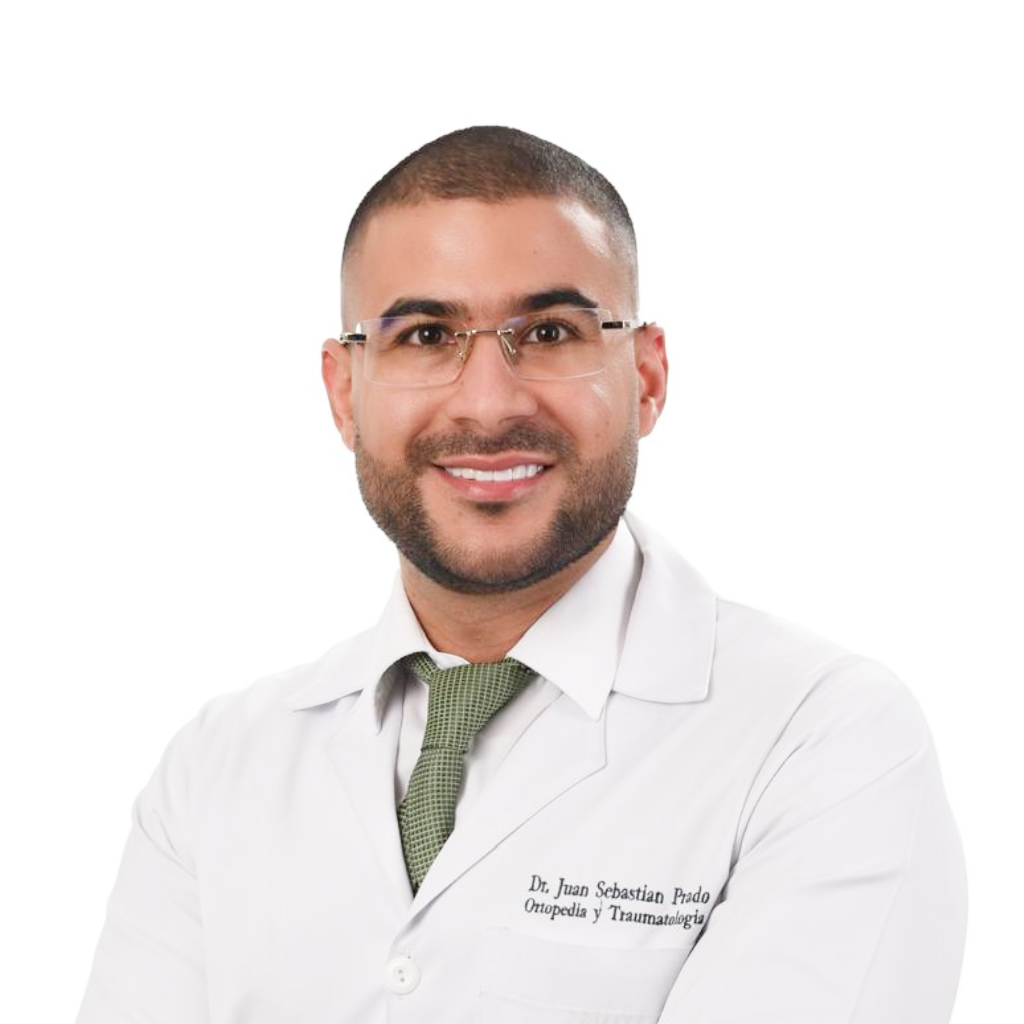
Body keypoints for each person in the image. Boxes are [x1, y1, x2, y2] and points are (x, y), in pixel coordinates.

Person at [76, 126, 967, 1024]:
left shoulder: (825, 741)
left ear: (646, 377)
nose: (489, 403)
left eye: (548, 332)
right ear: (345, 393)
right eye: (426, 335)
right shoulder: (216, 770)